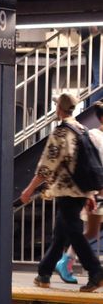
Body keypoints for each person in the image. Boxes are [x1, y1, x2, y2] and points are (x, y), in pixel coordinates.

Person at [20, 93, 103, 292]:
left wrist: (29, 189)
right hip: (81, 190)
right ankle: (44, 273)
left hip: (67, 191)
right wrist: (89, 194)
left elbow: (46, 167)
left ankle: (95, 271)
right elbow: (88, 164)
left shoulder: (61, 132)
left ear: (59, 109)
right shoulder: (82, 129)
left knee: (74, 232)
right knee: (60, 234)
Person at [55, 100, 103, 283]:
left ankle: (66, 260)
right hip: (97, 193)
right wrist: (89, 193)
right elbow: (88, 165)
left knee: (89, 232)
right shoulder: (93, 136)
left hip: (96, 194)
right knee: (89, 232)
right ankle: (67, 261)